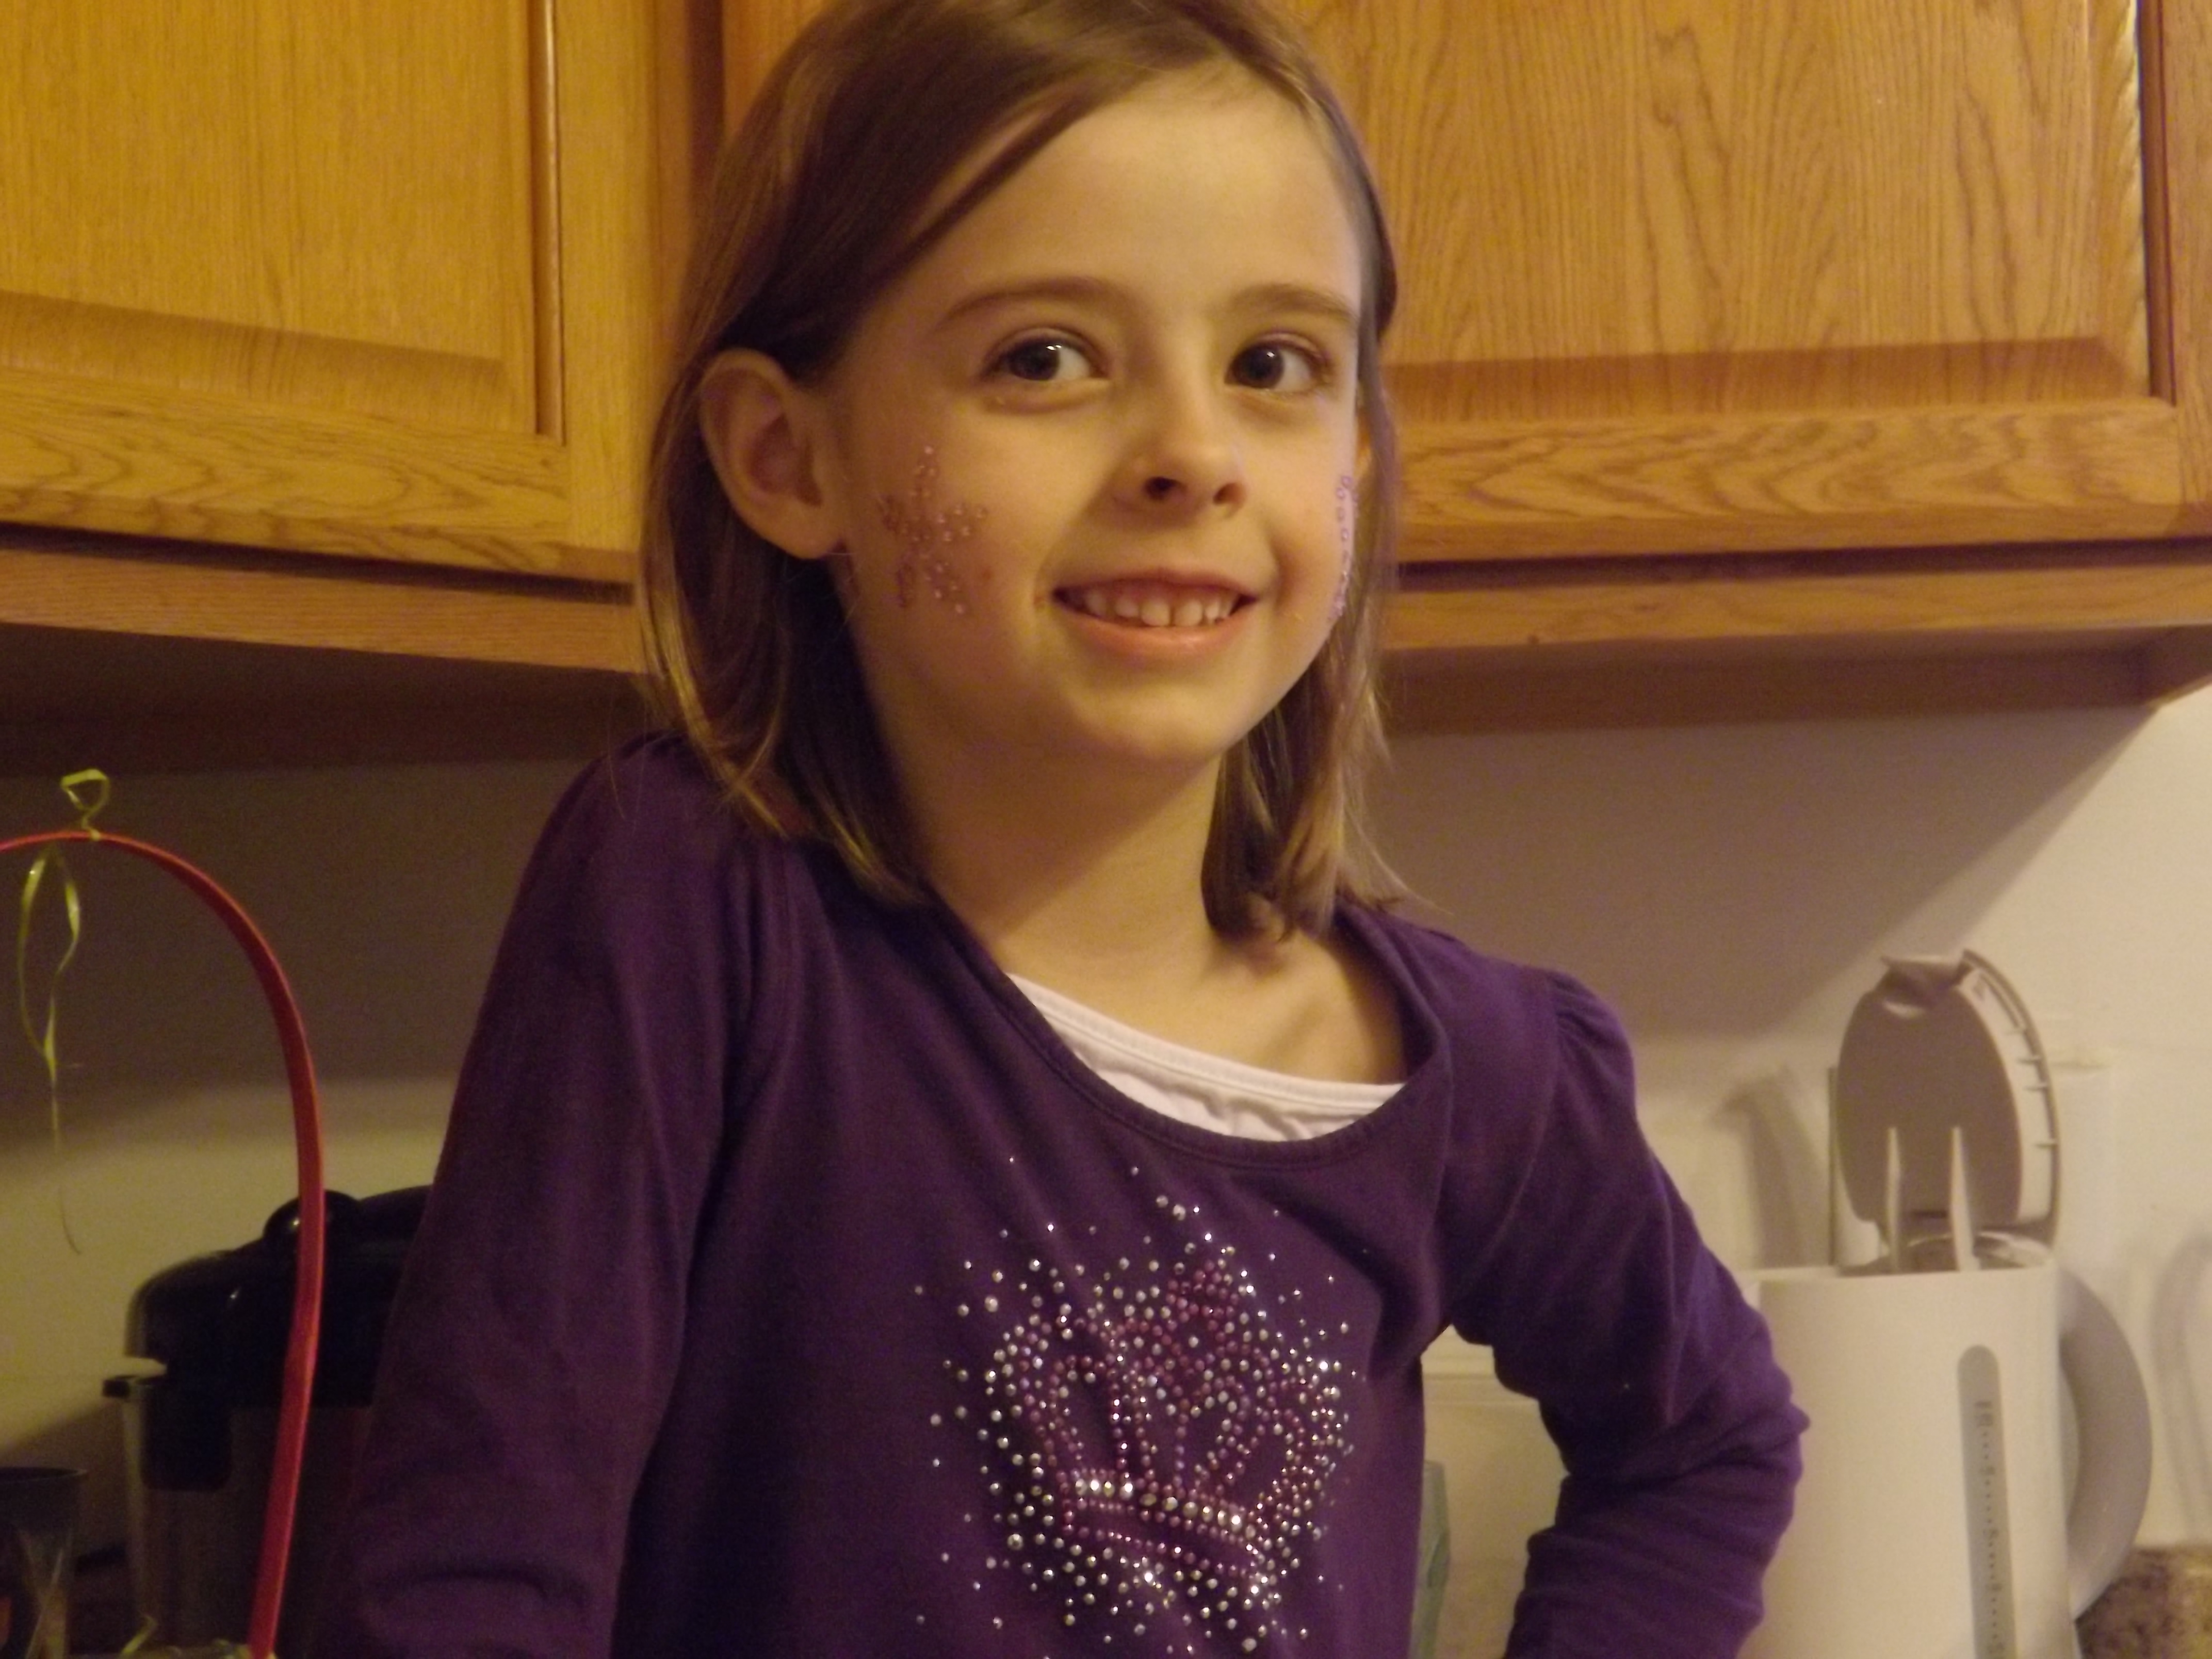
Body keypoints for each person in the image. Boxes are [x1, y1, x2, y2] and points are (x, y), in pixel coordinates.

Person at [314, 0, 1803, 1653]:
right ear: (788, 458)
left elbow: (1708, 1446)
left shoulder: (1484, 1078)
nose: (1192, 454)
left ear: (1360, 460)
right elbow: (472, 1576)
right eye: (1044, 358)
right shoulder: (692, 906)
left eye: (1275, 366)